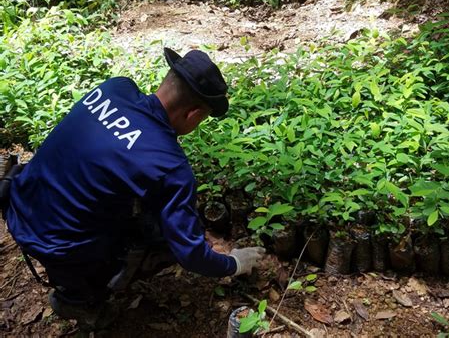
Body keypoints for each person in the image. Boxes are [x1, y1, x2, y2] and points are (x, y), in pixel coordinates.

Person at [4, 48, 265, 331]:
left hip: (18, 202)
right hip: (56, 244)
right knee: (161, 239)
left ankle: (76, 277)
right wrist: (233, 264)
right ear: (194, 114)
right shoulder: (169, 166)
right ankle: (77, 297)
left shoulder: (115, 87)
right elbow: (190, 254)